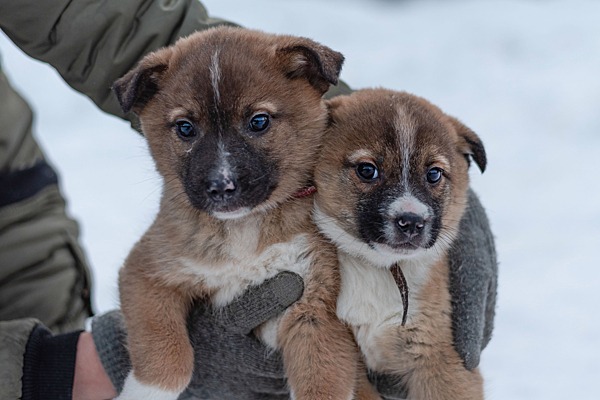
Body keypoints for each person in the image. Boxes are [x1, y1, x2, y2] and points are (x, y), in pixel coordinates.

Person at [0, 1, 497, 399]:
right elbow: (149, 279)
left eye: (257, 123)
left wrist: (388, 135)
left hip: (21, 231)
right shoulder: (180, 234)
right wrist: (61, 368)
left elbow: (112, 19)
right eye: (186, 130)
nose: (221, 178)